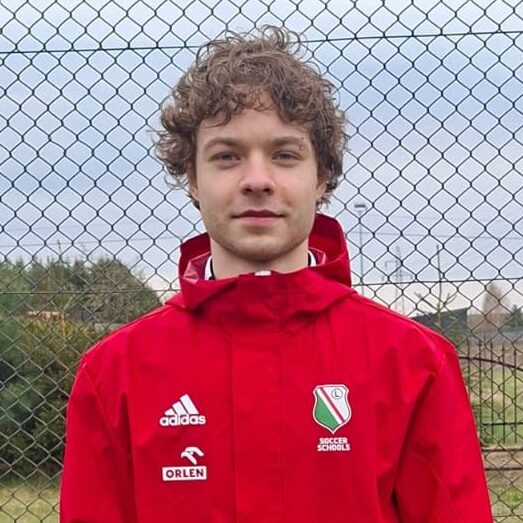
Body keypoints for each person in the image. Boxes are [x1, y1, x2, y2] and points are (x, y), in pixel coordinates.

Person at [60, 26, 493, 522]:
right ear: (193, 179)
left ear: (321, 177)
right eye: (227, 156)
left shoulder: (414, 363)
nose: (257, 180)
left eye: (285, 155)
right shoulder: (114, 375)